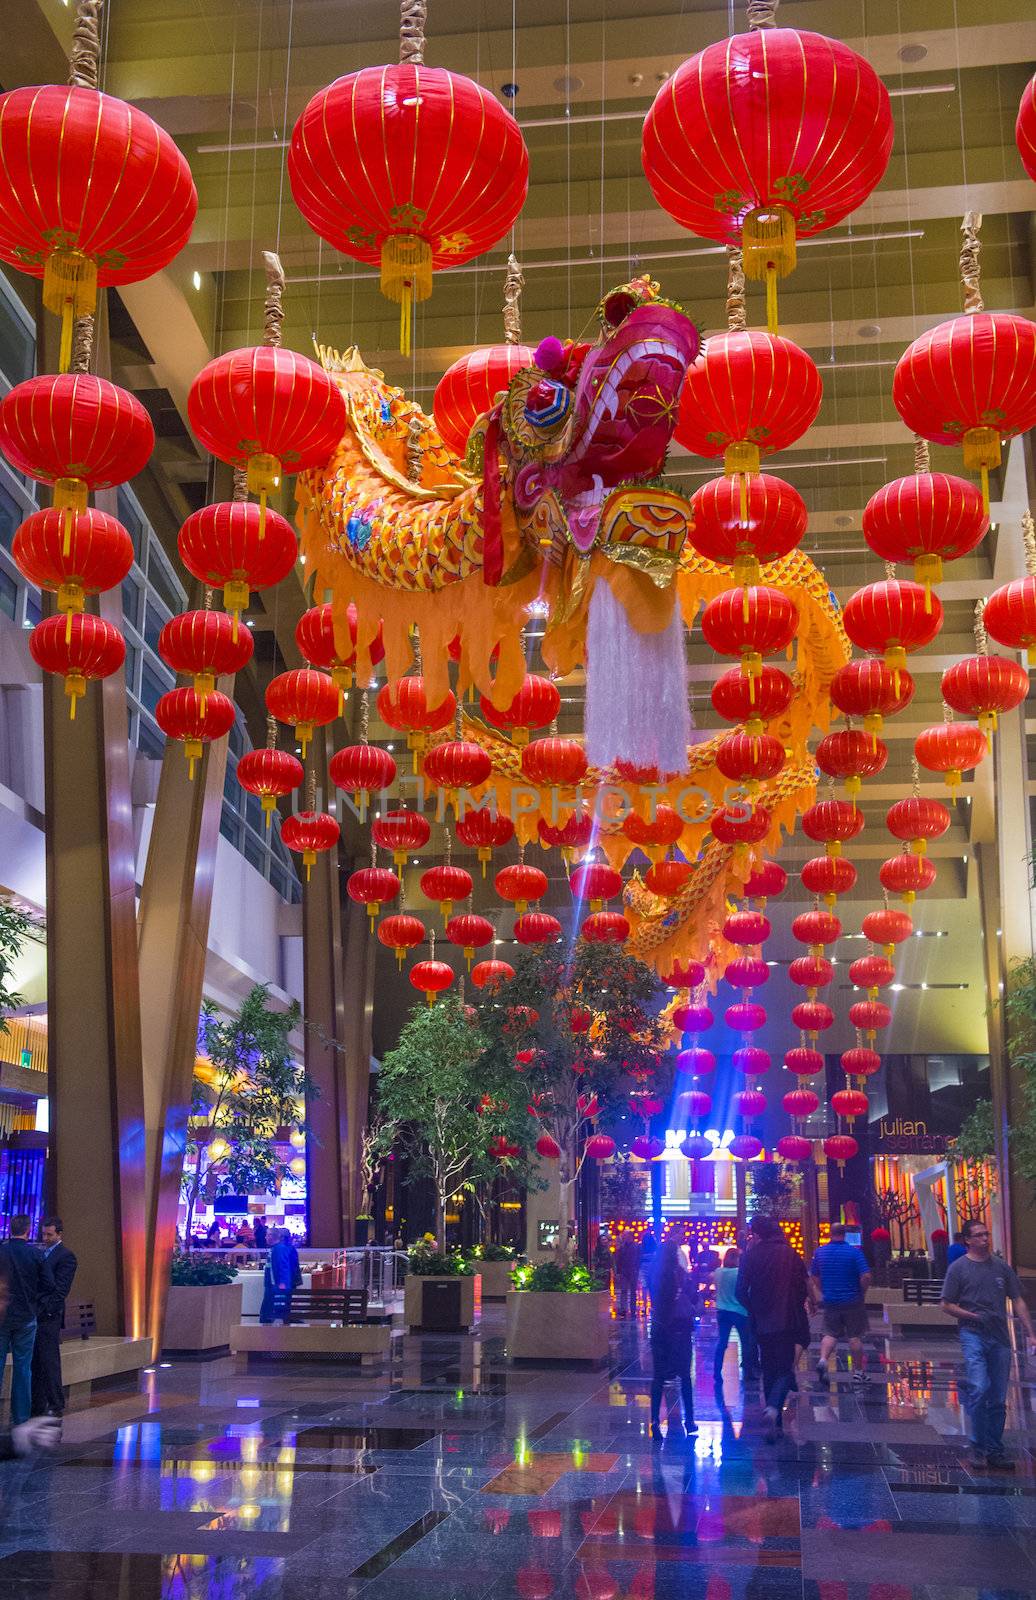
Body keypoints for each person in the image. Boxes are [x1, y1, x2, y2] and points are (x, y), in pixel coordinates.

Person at [940, 1218, 1036, 1470]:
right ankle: (977, 1445)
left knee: (997, 1396)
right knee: (980, 1387)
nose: (985, 1239)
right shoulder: (958, 1269)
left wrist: (1030, 1332)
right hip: (973, 1335)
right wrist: (971, 1316)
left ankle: (994, 1449)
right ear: (967, 1240)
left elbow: (1018, 1300)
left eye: (987, 1234)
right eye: (979, 1235)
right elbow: (946, 1304)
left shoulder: (1001, 1268)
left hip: (1000, 1338)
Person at [735, 1214, 812, 1443]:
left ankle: (775, 1425)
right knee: (785, 1368)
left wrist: (754, 1309)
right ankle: (772, 1410)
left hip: (761, 1323)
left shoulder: (750, 1256)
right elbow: (802, 1286)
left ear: (758, 1234)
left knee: (768, 1370)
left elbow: (740, 1291)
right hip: (787, 1319)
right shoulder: (790, 1253)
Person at [0, 1216, 54, 1427]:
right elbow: (49, 1284)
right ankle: (20, 1418)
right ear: (28, 1230)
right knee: (23, 1367)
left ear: (10, 1230)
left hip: (2, 1317)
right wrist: (35, 1302)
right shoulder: (36, 1254)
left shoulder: (1, 1252)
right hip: (26, 1318)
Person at [648, 1237, 698, 1441]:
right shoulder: (681, 1274)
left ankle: (654, 1421)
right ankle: (690, 1420)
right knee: (685, 1376)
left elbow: (654, 1298)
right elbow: (693, 1297)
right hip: (680, 1330)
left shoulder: (653, 1274)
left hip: (660, 1328)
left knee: (658, 1377)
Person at [810, 1223, 872, 1385]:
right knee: (854, 1336)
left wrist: (823, 1290)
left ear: (830, 1233)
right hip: (853, 1300)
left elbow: (814, 1277)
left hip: (831, 1301)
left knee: (830, 1333)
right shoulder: (854, 1253)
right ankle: (858, 1372)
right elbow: (866, 1276)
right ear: (845, 1234)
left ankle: (823, 1360)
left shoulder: (820, 1252)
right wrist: (861, 1292)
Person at [30, 1216, 77, 1418]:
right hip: (38, 1312)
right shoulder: (42, 1253)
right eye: (44, 1234)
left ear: (59, 1234)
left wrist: (48, 1309)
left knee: (49, 1359)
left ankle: (56, 1402)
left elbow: (61, 1289)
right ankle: (39, 1401)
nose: (46, 1238)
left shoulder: (66, 1256)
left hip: (49, 1315)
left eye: (49, 1234)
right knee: (37, 1360)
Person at [713, 1247, 756, 1385]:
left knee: (722, 1342)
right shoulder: (739, 1273)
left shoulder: (718, 1272)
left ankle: (716, 1370)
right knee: (746, 1342)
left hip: (722, 1311)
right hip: (739, 1311)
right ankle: (748, 1372)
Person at [260, 1228, 302, 1325]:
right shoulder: (279, 1248)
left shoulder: (279, 1249)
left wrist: (282, 1284)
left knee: (268, 1311)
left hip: (275, 1285)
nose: (265, 1237)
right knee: (273, 1310)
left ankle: (264, 1332)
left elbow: (283, 1268)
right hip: (274, 1284)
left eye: (267, 1235)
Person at [613, 1230, 641, 1318]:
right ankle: (624, 1309)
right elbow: (619, 1260)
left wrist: (637, 1269)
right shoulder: (623, 1247)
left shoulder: (636, 1246)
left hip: (632, 1271)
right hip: (625, 1271)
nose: (624, 1237)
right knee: (624, 1290)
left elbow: (639, 1259)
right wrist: (618, 1271)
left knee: (632, 1291)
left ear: (630, 1236)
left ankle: (632, 1309)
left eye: (625, 1235)